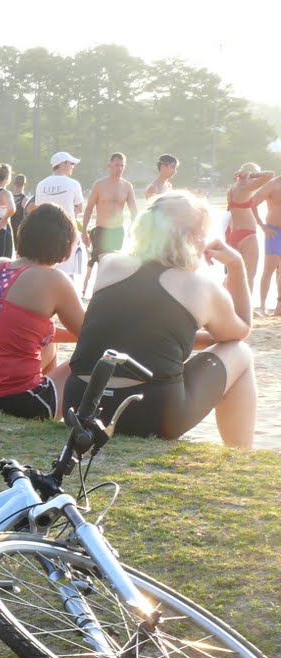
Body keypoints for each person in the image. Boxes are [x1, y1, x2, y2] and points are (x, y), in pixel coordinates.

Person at [62, 191, 255, 447]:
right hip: (150, 415)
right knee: (240, 351)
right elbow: (239, 330)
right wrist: (238, 265)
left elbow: (141, 332)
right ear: (193, 238)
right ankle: (241, 453)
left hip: (80, 407)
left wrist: (188, 337)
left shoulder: (109, 265)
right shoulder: (201, 287)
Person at [0, 203, 85, 420]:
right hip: (17, 405)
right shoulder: (54, 280)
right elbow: (91, 335)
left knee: (48, 341)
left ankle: (40, 390)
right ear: (66, 244)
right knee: (93, 358)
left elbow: (14, 328)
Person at [81, 152, 139, 298]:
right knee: (102, 263)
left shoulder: (127, 186)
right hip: (101, 230)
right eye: (116, 165)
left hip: (117, 231)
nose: (119, 168)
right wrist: (83, 231)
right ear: (109, 165)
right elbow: (88, 208)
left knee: (113, 264)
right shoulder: (99, 185)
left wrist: (134, 228)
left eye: (121, 166)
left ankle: (110, 295)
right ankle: (98, 294)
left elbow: (134, 210)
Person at [29, 151, 86, 280]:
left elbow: (38, 208)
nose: (73, 166)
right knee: (67, 273)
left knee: (46, 270)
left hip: (45, 232)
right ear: (62, 164)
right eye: (71, 163)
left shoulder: (41, 184)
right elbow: (79, 207)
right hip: (67, 232)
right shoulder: (73, 184)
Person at [224, 162, 274, 298]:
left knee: (233, 275)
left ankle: (229, 303)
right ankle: (248, 308)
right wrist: (253, 175)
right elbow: (270, 175)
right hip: (248, 234)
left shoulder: (233, 189)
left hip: (234, 234)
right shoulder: (246, 187)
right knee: (249, 276)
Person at [259, 171, 281, 316]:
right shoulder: (273, 185)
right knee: (269, 270)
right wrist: (262, 226)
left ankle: (279, 305)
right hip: (273, 231)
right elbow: (252, 203)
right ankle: (262, 306)